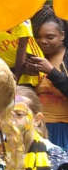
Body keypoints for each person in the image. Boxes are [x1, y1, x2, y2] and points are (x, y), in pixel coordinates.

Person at [22, 13, 68, 149]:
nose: (43, 41)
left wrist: (51, 72)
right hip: (38, 129)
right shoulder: (33, 58)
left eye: (50, 37)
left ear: (62, 36)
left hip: (63, 130)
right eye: (38, 37)